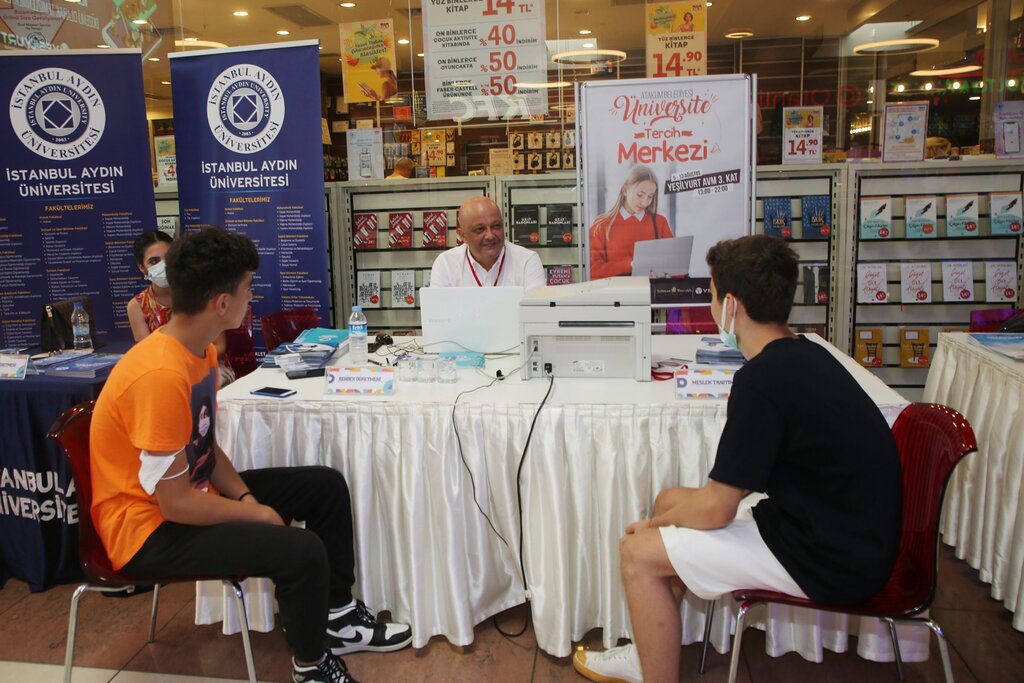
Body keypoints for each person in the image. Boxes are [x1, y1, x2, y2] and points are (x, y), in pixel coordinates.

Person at [573, 235, 902, 683]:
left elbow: (717, 508)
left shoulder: (762, 381)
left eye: (711, 295)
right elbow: (739, 484)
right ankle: (650, 653)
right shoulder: (805, 353)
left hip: (831, 558)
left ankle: (654, 675)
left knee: (637, 552)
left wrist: (651, 527)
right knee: (669, 501)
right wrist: (663, 518)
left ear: (731, 305)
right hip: (842, 532)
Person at [90, 228, 412, 683]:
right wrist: (255, 515)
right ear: (222, 303)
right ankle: (312, 667)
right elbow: (175, 504)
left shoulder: (198, 350)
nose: (252, 297)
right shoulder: (159, 373)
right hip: (147, 531)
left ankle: (337, 618)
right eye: (248, 288)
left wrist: (244, 498)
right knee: (300, 550)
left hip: (182, 498)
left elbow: (204, 447)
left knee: (324, 486)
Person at [126, 230, 236, 388]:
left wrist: (187, 365)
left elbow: (220, 347)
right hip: (166, 375)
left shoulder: (200, 293)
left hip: (210, 368)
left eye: (168, 258)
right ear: (142, 267)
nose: (163, 265)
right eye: (154, 261)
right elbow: (149, 355)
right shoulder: (137, 306)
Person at [430, 195, 545, 289]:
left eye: (496, 226)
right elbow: (439, 310)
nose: (490, 236)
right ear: (463, 235)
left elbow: (535, 310)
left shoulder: (527, 261)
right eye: (480, 229)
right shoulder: (446, 264)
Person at [589, 165, 673, 280]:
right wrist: (630, 265)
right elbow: (593, 271)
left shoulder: (660, 222)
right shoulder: (601, 225)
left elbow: (674, 266)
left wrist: (670, 274)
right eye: (640, 195)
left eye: (650, 197)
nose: (644, 202)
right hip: (617, 291)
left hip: (651, 289)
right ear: (625, 190)